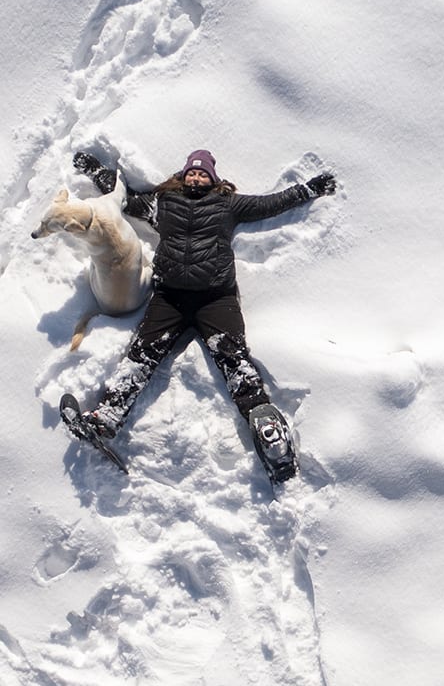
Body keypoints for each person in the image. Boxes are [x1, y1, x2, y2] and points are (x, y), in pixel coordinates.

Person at [60, 148, 337, 480]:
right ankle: (105, 417)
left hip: (215, 299)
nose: (196, 176)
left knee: (234, 359)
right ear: (182, 175)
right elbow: (123, 197)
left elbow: (270, 203)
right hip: (170, 298)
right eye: (191, 172)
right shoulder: (163, 203)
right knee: (141, 354)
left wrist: (308, 189)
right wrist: (95, 170)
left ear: (213, 179)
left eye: (203, 173)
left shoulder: (228, 204)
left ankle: (267, 428)